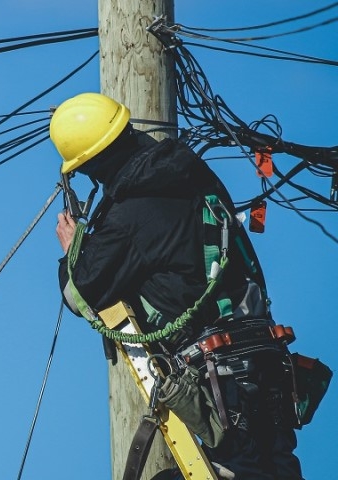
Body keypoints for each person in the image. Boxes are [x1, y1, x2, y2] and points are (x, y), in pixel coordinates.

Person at [50, 92, 303, 479]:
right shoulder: (193, 174)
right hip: (265, 355)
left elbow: (83, 292)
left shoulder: (129, 214)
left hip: (218, 372)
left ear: (89, 166)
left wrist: (73, 251)